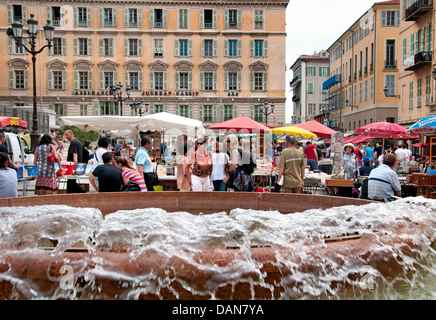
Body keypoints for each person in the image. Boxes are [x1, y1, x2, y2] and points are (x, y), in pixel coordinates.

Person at [64, 129, 85, 193]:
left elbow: (75, 155)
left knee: (71, 183)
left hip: (73, 166)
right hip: (77, 165)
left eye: (67, 135)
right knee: (71, 183)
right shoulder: (78, 141)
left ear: (71, 134)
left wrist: (74, 167)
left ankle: (83, 193)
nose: (65, 136)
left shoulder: (73, 142)